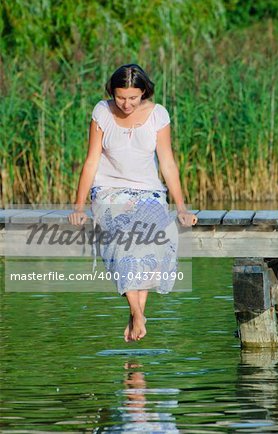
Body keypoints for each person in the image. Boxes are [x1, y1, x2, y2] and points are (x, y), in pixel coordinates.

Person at [68, 64, 197, 343]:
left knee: (153, 236)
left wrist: (182, 207)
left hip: (148, 191)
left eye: (133, 98)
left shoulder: (158, 115)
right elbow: (91, 161)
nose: (126, 104)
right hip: (109, 191)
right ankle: (137, 313)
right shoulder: (102, 112)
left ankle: (136, 312)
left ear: (144, 92)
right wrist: (78, 206)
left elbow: (168, 162)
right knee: (122, 236)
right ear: (112, 93)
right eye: (120, 97)